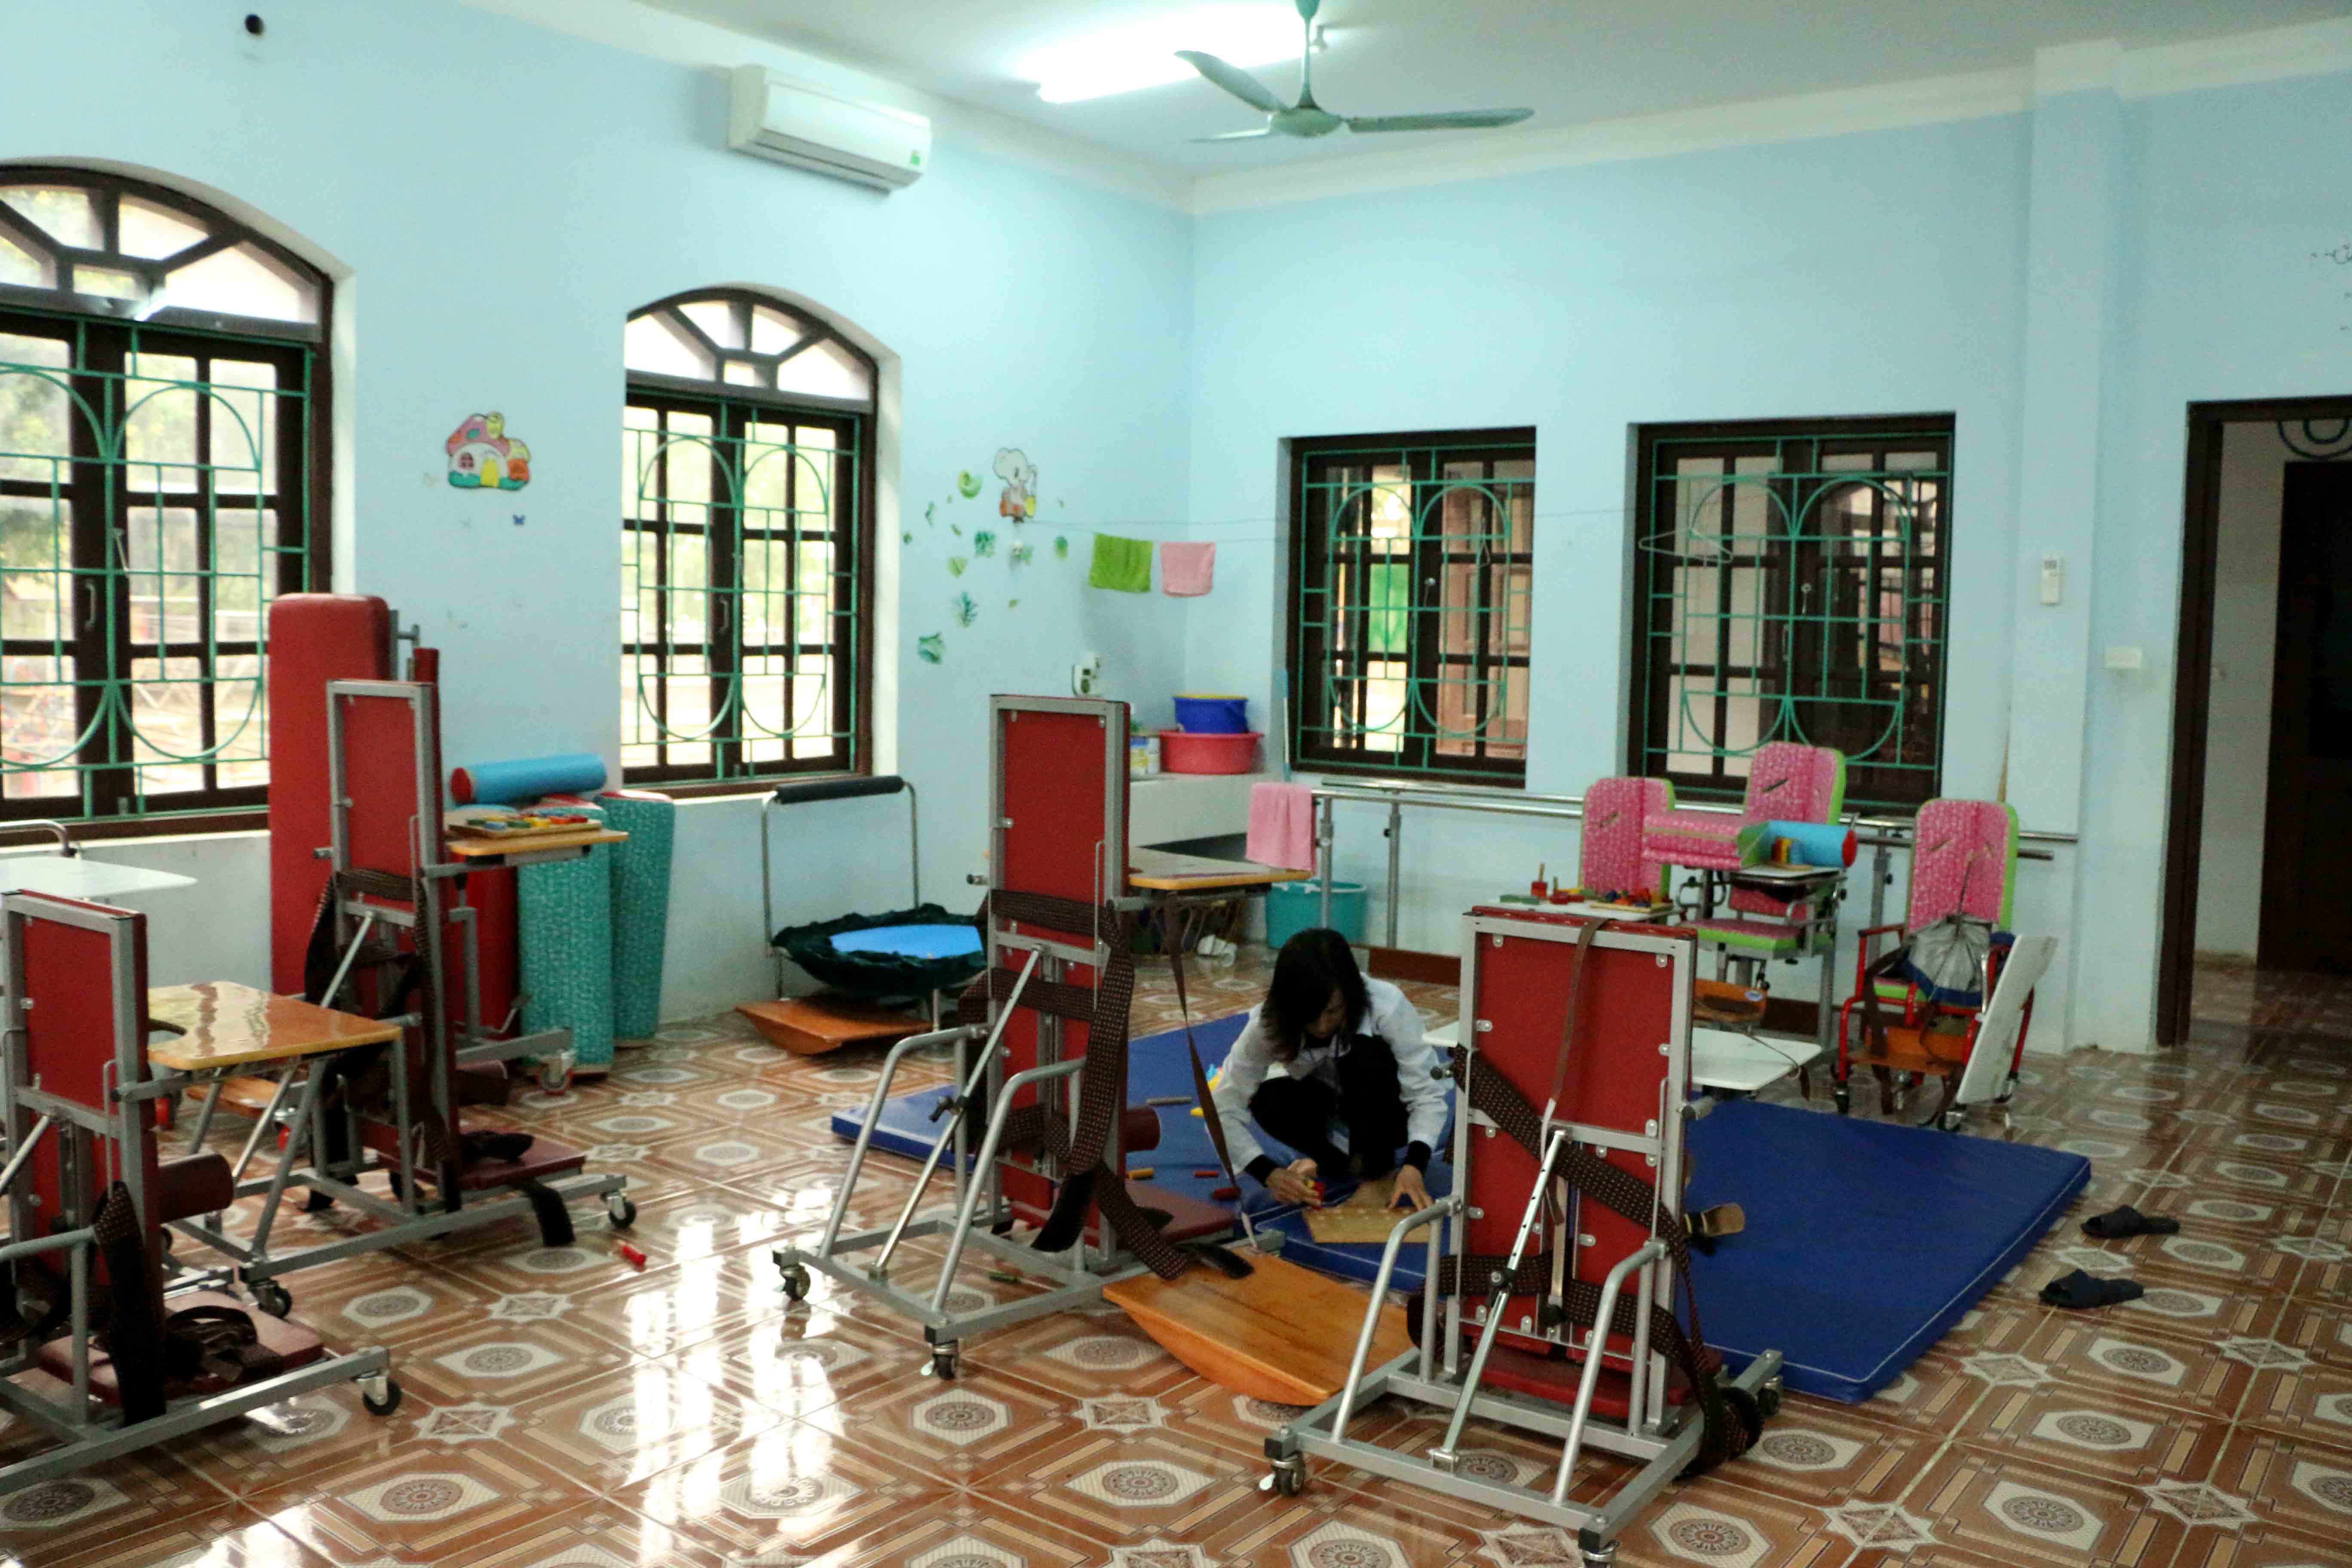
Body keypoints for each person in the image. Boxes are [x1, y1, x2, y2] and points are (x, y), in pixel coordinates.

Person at [1211, 927, 1447, 1212]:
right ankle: (1329, 1160)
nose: (1323, 1026)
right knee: (1267, 1096)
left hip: (1387, 1114)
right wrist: (1268, 1173)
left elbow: (1426, 1094)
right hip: (1334, 1111)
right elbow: (1222, 1107)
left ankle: (1377, 1175)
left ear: (1351, 994)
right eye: (1310, 1016)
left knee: (1367, 1053)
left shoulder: (1387, 1005)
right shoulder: (1269, 1023)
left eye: (1334, 1011)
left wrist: (1415, 1165)